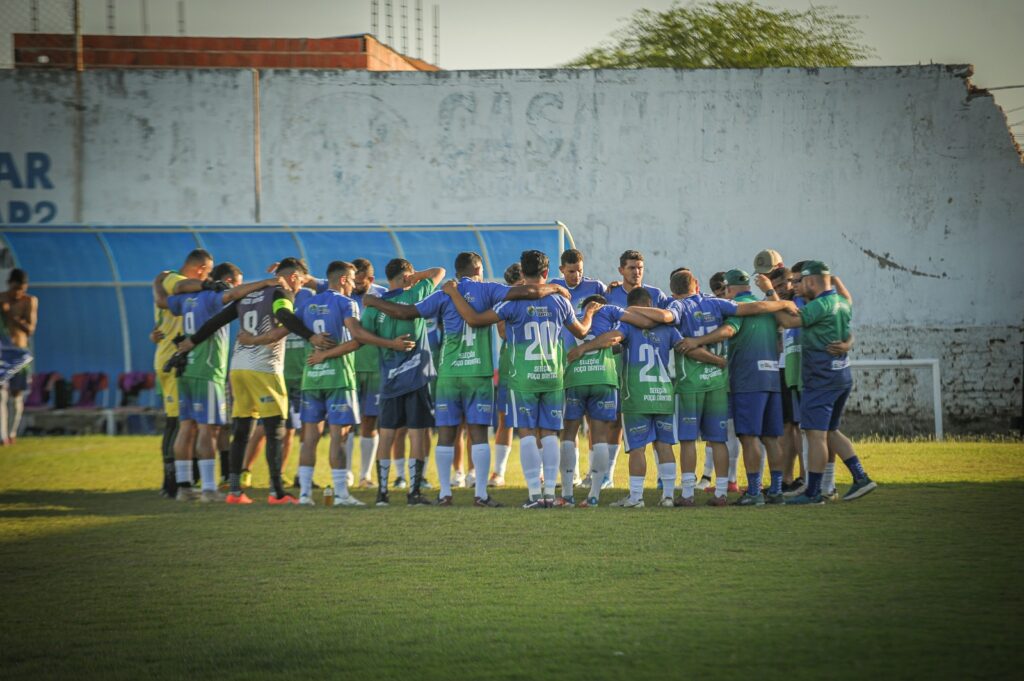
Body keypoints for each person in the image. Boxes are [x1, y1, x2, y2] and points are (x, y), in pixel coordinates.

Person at [367, 251, 567, 506]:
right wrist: (553, 288)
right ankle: (481, 494)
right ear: (477, 270)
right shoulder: (489, 290)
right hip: (479, 373)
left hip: (449, 375)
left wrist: (375, 303)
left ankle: (444, 494)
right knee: (478, 433)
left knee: (447, 434)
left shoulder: (443, 294)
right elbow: (528, 292)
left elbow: (405, 313)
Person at [444, 250, 598, 509]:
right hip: (552, 376)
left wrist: (454, 293)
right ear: (547, 274)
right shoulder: (560, 301)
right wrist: (591, 312)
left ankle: (535, 495)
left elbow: (474, 319)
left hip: (522, 378)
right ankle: (551, 494)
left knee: (526, 433)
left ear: (522, 273)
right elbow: (582, 331)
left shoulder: (510, 303)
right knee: (550, 434)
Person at [173, 257, 334, 505]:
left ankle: (235, 492)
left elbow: (216, 321)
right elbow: (284, 315)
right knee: (276, 430)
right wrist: (311, 336)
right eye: (301, 282)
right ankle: (277, 493)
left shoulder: (249, 295)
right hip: (264, 369)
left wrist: (191, 342)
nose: (300, 287)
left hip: (238, 369)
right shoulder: (281, 292)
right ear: (294, 278)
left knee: (242, 429)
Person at [665, 269, 796, 506]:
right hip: (769, 378)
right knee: (768, 438)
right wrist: (778, 298)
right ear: (695, 284)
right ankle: (770, 490)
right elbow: (780, 335)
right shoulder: (766, 307)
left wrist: (699, 343)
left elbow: (728, 330)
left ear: (729, 288)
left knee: (745, 437)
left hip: (733, 380)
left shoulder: (725, 308)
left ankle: (749, 491)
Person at [294, 260, 415, 506]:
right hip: (339, 378)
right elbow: (358, 338)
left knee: (310, 437)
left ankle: (304, 494)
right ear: (342, 280)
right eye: (350, 280)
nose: (353, 285)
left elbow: (292, 326)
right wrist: (392, 344)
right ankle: (341, 494)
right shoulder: (346, 303)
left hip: (312, 377)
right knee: (340, 436)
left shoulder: (307, 304)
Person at [161, 263, 281, 501]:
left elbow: (163, 301)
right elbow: (233, 294)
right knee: (209, 429)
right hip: (207, 369)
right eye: (238, 281)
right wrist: (266, 283)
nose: (240, 286)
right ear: (227, 280)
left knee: (186, 427)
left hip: (186, 367)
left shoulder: (188, 299)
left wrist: (161, 281)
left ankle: (184, 486)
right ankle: (208, 488)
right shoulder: (213, 297)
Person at [569, 287, 681, 508]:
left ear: (632, 307)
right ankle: (668, 496)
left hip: (637, 396)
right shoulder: (669, 329)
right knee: (664, 445)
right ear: (651, 304)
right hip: (663, 394)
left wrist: (586, 348)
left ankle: (636, 497)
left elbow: (612, 339)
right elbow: (685, 346)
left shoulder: (628, 325)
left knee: (637, 448)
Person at [775, 261, 874, 504]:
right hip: (841, 375)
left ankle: (814, 492)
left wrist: (770, 298)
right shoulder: (841, 301)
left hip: (821, 377)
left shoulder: (820, 304)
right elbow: (848, 308)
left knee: (816, 435)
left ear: (811, 281)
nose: (796, 286)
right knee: (830, 431)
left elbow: (788, 323)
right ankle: (860, 477)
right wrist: (848, 342)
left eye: (800, 281)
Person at [361, 258, 446, 506]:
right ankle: (414, 492)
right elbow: (439, 270)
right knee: (418, 435)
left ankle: (382, 494)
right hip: (416, 379)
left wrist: (388, 345)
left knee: (386, 435)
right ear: (407, 276)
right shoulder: (416, 293)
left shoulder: (375, 306)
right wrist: (416, 276)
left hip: (389, 381)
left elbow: (363, 336)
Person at [602, 250, 672, 488]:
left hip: (649, 370)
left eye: (640, 267)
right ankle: (607, 476)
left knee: (656, 428)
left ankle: (663, 479)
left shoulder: (656, 295)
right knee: (614, 422)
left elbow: (666, 321)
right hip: (618, 366)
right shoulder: (610, 295)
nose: (637, 272)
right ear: (621, 270)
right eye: (632, 267)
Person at [152, 249, 214, 497]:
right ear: (201, 269)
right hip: (172, 360)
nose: (206, 277)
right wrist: (211, 284)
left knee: (185, 422)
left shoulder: (166, 283)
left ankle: (185, 480)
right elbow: (182, 286)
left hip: (181, 359)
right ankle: (173, 483)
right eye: (207, 271)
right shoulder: (173, 279)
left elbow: (161, 318)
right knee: (177, 422)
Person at [549, 248, 607, 487]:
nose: (577, 276)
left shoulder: (597, 287)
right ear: (562, 270)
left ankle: (595, 476)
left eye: (580, 271)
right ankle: (570, 475)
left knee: (595, 423)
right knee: (568, 423)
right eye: (572, 272)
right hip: (564, 363)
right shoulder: (552, 286)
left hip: (593, 362)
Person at [489, 262, 525, 487]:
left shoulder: (541, 297)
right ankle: (499, 473)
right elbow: (503, 332)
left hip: (536, 364)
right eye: (517, 285)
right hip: (510, 364)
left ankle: (540, 472)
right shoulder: (504, 302)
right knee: (505, 419)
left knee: (538, 421)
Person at [0, 269, 38, 445]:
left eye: (21, 289)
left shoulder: (29, 301)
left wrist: (10, 315)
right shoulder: (1, 299)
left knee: (16, 394)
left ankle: (12, 432)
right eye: (15, 288)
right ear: (9, 285)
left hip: (19, 353)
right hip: (2, 353)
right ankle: (2, 436)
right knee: (1, 393)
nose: (18, 293)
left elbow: (30, 329)